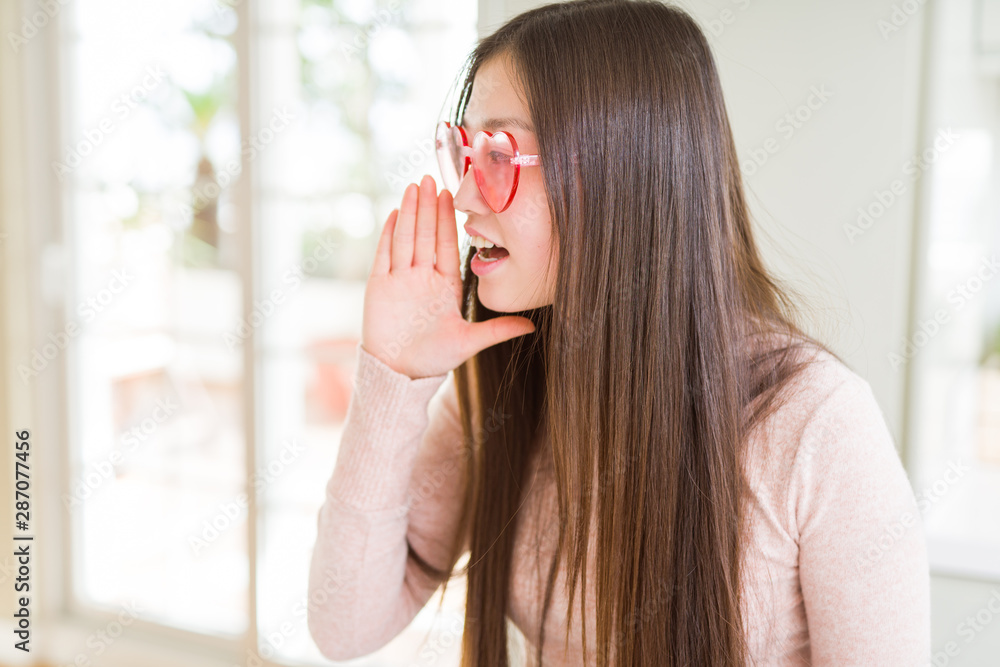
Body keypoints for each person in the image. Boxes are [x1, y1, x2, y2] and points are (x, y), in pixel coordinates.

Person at [306, 0, 932, 665]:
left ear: (620, 169)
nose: (462, 195)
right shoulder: (502, 386)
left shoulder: (816, 426)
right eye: (465, 150)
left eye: (497, 153)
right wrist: (394, 377)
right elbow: (343, 626)